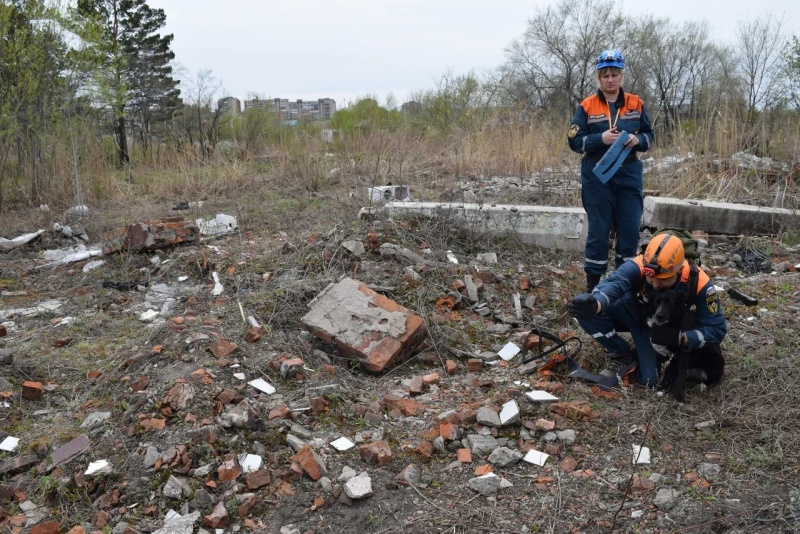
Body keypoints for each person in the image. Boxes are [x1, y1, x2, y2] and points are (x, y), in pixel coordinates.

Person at [568, 233, 727, 387]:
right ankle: (621, 353)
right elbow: (615, 283)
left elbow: (717, 329)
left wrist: (682, 338)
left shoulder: (699, 283)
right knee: (583, 311)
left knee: (650, 380)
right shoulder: (637, 265)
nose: (656, 284)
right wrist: (597, 303)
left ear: (678, 271)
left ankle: (643, 352)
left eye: (663, 280)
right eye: (651, 278)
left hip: (653, 329)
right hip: (628, 312)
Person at [567, 49, 654, 292]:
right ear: (598, 78)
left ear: (621, 76)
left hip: (628, 175)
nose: (610, 79)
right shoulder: (587, 106)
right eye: (605, 75)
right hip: (598, 177)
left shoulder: (636, 103)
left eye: (615, 74)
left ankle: (624, 288)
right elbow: (574, 141)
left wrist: (639, 141)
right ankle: (593, 289)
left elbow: (649, 135)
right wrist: (600, 138)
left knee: (629, 231)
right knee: (599, 231)